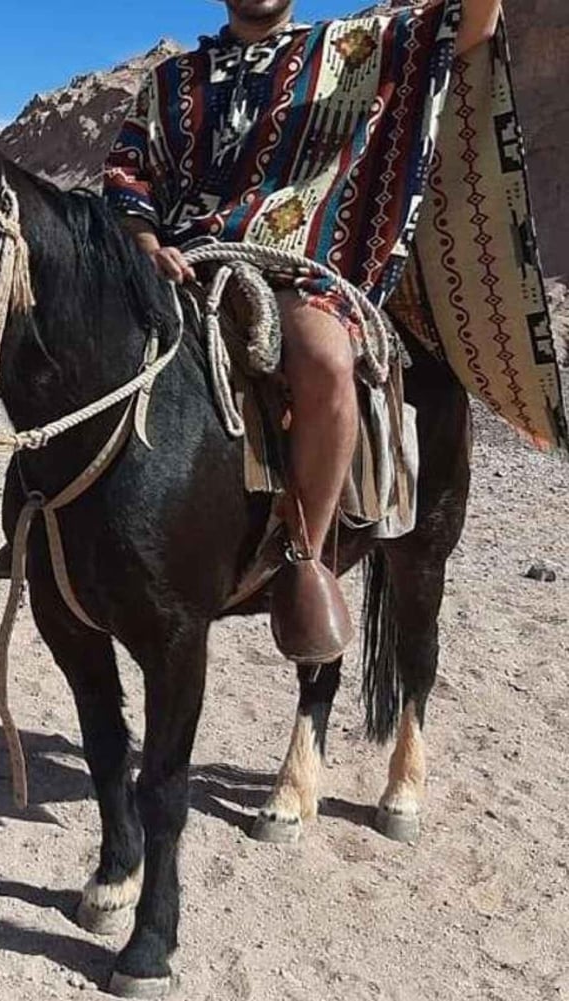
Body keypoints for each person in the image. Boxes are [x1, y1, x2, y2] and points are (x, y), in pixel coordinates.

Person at [98, 0, 501, 661]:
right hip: (179, 265)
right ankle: (49, 518)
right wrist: (144, 242)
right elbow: (127, 175)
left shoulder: (352, 49)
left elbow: (474, 24)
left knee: (324, 358)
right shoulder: (170, 82)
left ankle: (304, 558)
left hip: (298, 271)